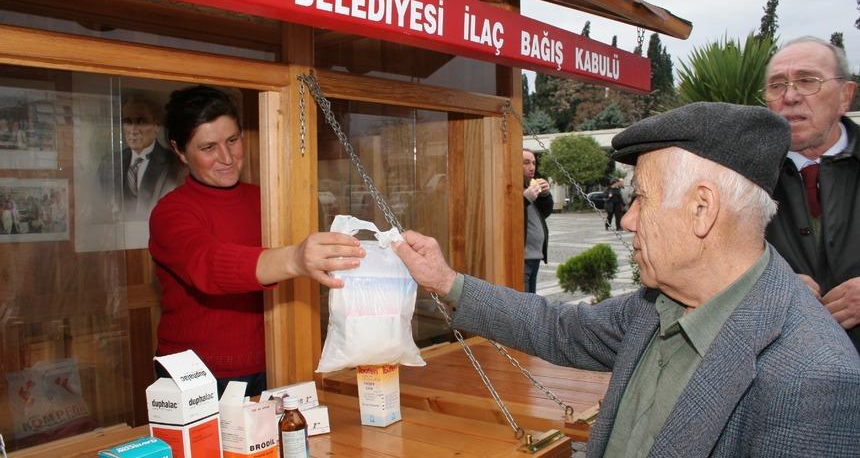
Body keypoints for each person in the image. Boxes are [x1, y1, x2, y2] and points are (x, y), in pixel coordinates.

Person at [394, 102, 860, 457]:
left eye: (643, 199)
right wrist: (447, 280)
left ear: (703, 208)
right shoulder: (659, 304)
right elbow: (559, 329)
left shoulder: (815, 377)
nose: (628, 219)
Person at [148, 85, 364, 397]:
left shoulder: (267, 200)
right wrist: (293, 259)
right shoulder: (170, 213)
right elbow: (208, 266)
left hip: (276, 363)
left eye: (232, 140)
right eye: (208, 148)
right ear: (180, 151)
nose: (226, 157)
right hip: (197, 376)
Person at [763, 36, 860, 353]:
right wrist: (763, 287)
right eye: (777, 86)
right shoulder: (743, 180)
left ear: (846, 96)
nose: (789, 96)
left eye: (807, 81)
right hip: (785, 384)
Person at [119, 95, 183, 220]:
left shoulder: (174, 164)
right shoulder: (110, 163)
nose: (133, 130)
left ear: (156, 126)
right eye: (127, 122)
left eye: (141, 122)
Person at [522, 148, 552, 293]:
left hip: (535, 256)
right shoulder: (510, 188)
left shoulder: (530, 187)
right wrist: (524, 199)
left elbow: (544, 213)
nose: (532, 167)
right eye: (526, 163)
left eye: (534, 163)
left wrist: (545, 195)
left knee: (531, 299)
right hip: (522, 258)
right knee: (524, 303)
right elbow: (507, 215)